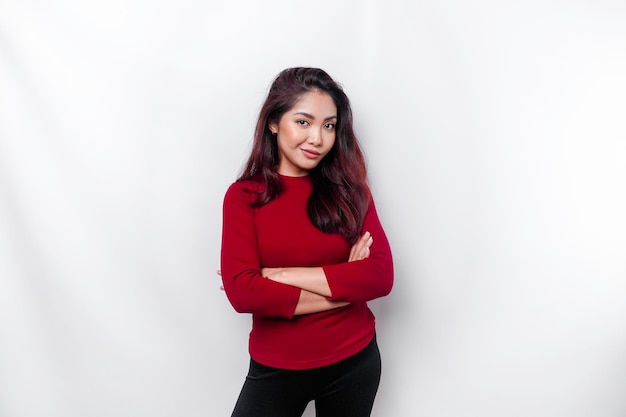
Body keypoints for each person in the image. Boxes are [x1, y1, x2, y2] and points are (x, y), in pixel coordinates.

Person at [220, 67, 393, 417]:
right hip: (277, 368)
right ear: (273, 121)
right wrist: (345, 283)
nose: (317, 138)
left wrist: (279, 276)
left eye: (328, 125)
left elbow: (380, 277)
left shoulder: (350, 191)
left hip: (354, 360)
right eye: (303, 122)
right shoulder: (243, 197)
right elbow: (243, 293)